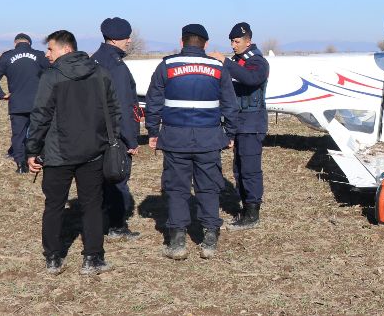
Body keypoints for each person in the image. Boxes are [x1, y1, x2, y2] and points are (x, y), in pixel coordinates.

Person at [25, 30, 120, 276]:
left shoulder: (51, 77)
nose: (47, 54)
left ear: (66, 49)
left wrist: (32, 149)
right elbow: (113, 112)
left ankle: (54, 258)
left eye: (50, 49)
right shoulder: (100, 72)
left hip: (58, 154)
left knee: (54, 205)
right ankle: (93, 258)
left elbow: (40, 116)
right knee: (92, 205)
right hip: (93, 152)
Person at [145, 24, 239, 260]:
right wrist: (230, 134)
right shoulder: (218, 67)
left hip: (175, 137)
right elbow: (230, 104)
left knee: (177, 188)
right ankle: (209, 238)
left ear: (182, 42)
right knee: (208, 186)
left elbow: (153, 101)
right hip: (208, 138)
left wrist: (152, 131)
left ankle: (177, 241)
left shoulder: (166, 66)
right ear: (205, 44)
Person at [209, 22, 270, 229]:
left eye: (237, 41)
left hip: (252, 124)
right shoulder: (238, 61)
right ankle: (245, 208)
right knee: (239, 169)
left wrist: (225, 62)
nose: (233, 45)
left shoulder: (258, 62)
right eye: (232, 42)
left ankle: (252, 213)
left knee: (250, 170)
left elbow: (251, 79)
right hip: (239, 124)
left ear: (248, 41)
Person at [91, 17, 143, 240]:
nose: (129, 40)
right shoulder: (117, 67)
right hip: (114, 135)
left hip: (93, 132)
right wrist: (131, 140)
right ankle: (117, 226)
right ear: (113, 39)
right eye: (126, 36)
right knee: (117, 177)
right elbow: (123, 105)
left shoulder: (93, 60)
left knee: (98, 178)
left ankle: (99, 218)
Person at [0, 33, 48, 173]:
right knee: (39, 133)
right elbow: (53, 73)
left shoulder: (7, 56)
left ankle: (21, 165)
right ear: (29, 44)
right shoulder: (39, 55)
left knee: (18, 135)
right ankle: (38, 161)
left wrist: (1, 94)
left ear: (15, 43)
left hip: (17, 103)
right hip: (38, 103)